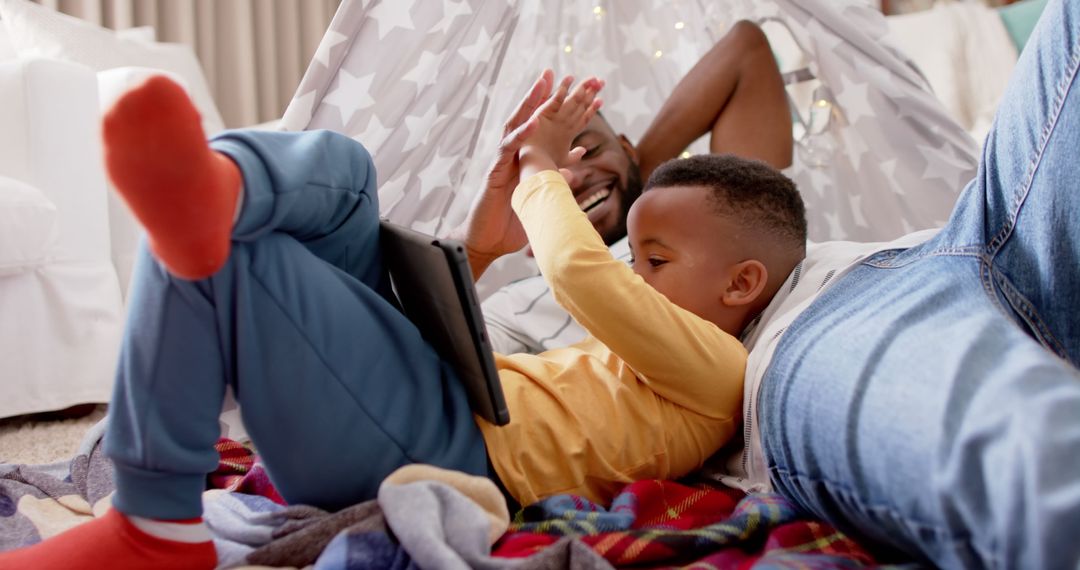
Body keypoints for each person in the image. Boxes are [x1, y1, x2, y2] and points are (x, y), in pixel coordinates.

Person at [0, 63, 808, 567]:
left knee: (239, 258)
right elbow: (480, 332)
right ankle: (218, 182)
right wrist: (484, 249)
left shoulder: (717, 366)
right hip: (437, 391)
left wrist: (537, 168)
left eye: (653, 259)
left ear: (740, 285)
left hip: (445, 448)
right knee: (346, 172)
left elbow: (576, 268)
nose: (635, 269)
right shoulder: (630, 336)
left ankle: (152, 523)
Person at [722, 0, 1080, 567]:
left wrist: (637, 161)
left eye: (588, 146)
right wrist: (539, 191)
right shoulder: (563, 287)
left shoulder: (694, 201)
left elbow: (742, 48)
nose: (572, 168)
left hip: (950, 235)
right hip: (806, 337)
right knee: (1033, 449)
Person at [481, 19, 793, 354]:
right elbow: (438, 358)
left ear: (627, 149)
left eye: (592, 150)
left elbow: (746, 49)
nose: (577, 175)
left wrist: (641, 176)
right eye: (552, 171)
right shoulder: (516, 305)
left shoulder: (716, 220)